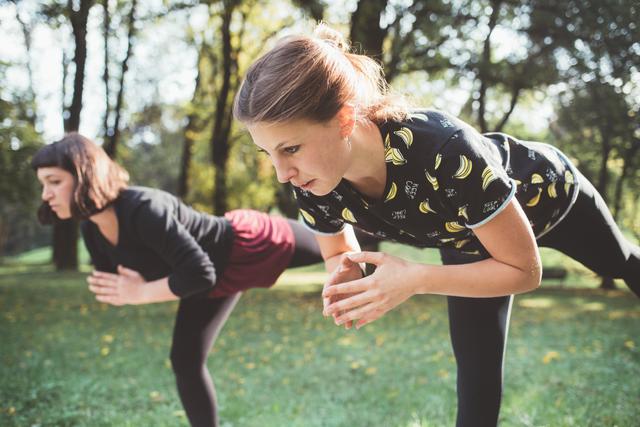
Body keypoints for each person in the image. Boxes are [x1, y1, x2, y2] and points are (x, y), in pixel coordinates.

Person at [233, 24, 640, 426]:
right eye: (268, 152)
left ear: (343, 119)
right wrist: (349, 279)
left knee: (617, 263)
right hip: (464, 239)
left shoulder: (443, 149)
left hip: (550, 198)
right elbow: (339, 253)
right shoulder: (311, 182)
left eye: (290, 148)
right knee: (476, 371)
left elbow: (524, 270)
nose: (282, 173)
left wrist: (414, 278)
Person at [31, 133, 322, 427]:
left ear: (86, 176)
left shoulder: (144, 207)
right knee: (185, 361)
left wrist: (141, 292)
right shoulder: (91, 231)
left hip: (248, 244)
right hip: (205, 280)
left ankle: (364, 218)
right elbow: (139, 282)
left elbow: (195, 273)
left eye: (54, 182)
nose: (46, 194)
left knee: (337, 242)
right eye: (44, 184)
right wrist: (126, 290)